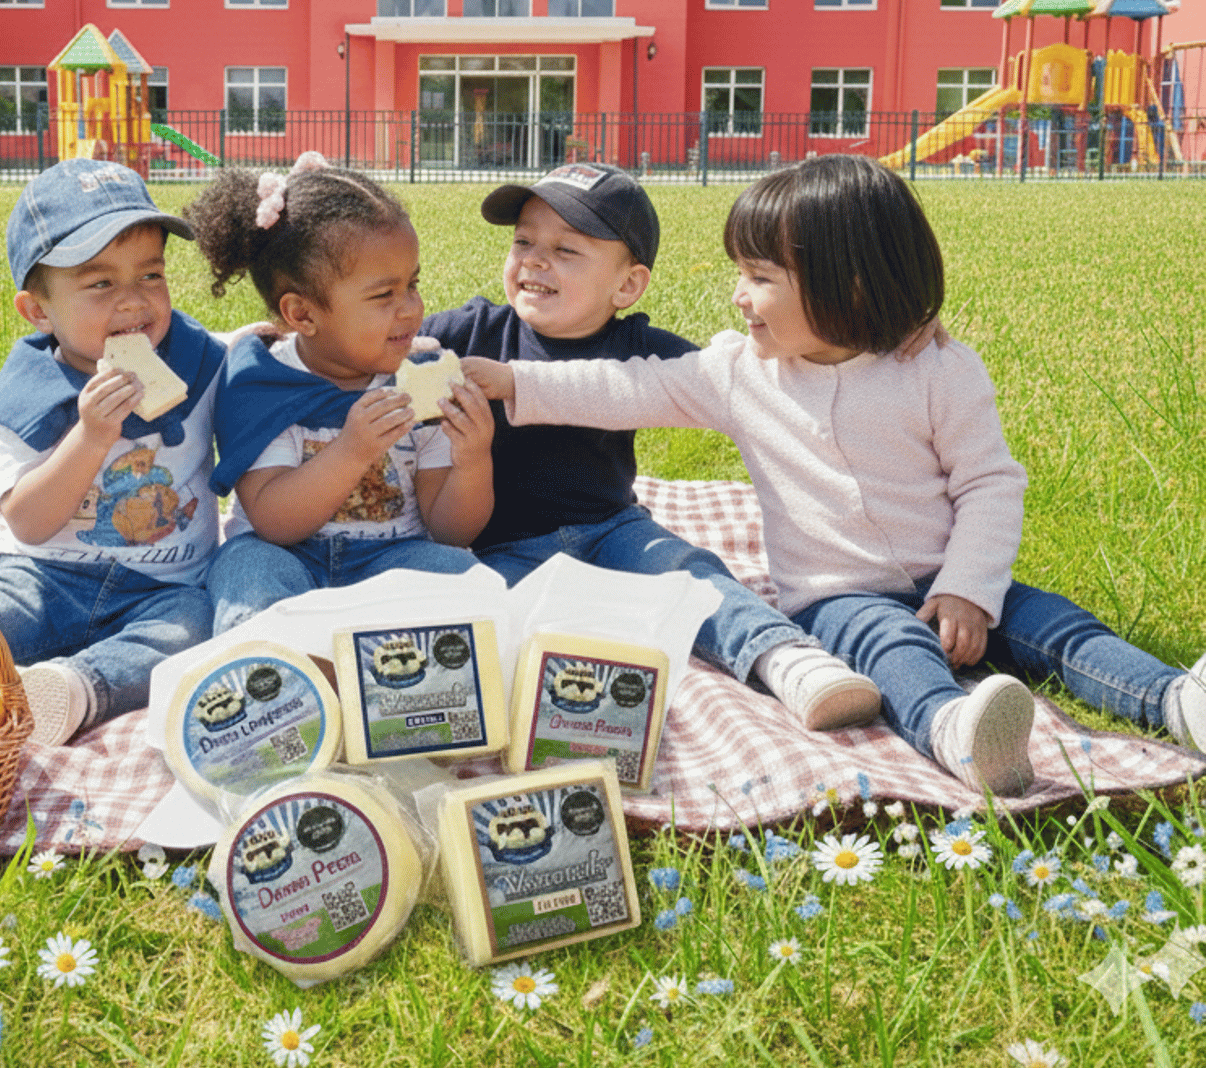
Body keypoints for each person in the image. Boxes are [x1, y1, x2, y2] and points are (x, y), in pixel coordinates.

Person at [464, 154, 1206, 796]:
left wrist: (968, 589)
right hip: (837, 597)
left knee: (1059, 627)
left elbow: (990, 483)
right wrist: (514, 382)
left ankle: (1175, 699)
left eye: (759, 276)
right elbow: (624, 385)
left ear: (849, 285)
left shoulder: (937, 368)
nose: (737, 295)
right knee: (895, 649)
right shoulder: (738, 371)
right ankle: (957, 731)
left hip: (950, 570)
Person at [423, 164, 879, 731]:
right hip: (504, 545)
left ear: (627, 285)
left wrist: (881, 338)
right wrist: (294, 342)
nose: (535, 261)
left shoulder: (639, 348)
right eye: (524, 241)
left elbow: (741, 371)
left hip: (613, 527)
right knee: (507, 621)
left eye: (567, 250)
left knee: (689, 572)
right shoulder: (473, 332)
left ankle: (787, 660)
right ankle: (577, 712)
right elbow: (379, 343)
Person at [0, 158, 226, 746]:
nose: (134, 301)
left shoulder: (199, 359)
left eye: (151, 275)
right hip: (45, 575)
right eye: (101, 283)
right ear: (38, 311)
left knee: (193, 632)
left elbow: (249, 374)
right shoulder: (28, 394)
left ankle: (71, 689)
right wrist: (90, 437)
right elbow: (28, 521)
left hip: (166, 587)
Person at [186, 153, 495, 632]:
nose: (411, 309)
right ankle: (285, 677)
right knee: (249, 577)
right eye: (383, 296)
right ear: (303, 315)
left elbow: (450, 533)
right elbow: (273, 519)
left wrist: (473, 460)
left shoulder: (422, 376)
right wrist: (352, 451)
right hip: (285, 555)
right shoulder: (263, 381)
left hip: (394, 555)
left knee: (471, 583)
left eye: (412, 285)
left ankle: (394, 676)